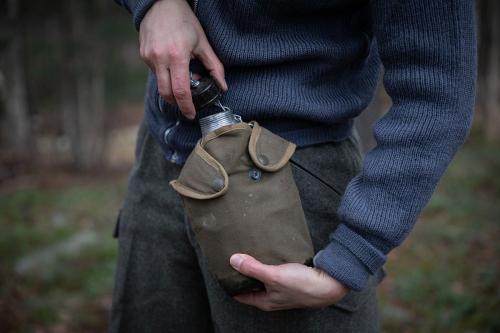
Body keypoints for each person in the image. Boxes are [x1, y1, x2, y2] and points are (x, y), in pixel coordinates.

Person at [110, 0, 476, 332]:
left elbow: (436, 96)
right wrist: (156, 5)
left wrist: (352, 255)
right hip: (161, 155)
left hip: (291, 180)